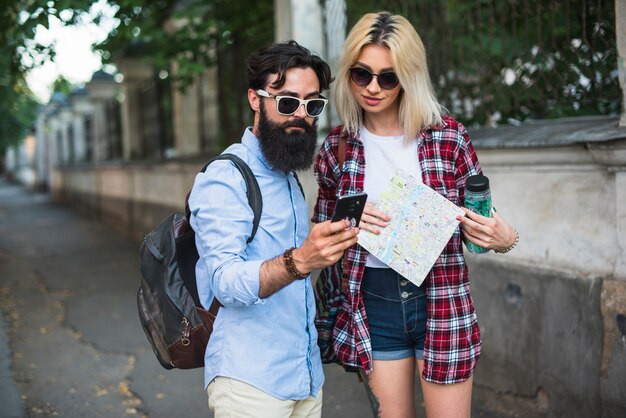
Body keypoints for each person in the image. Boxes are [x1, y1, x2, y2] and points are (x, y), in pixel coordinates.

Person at [312, 12, 518, 418]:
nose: (372, 88)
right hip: (373, 300)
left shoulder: (448, 138)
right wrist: (349, 219)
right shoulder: (337, 146)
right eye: (361, 74)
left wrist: (504, 236)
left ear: (409, 77)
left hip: (441, 297)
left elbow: (480, 225)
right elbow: (323, 235)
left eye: (387, 78)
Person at [188, 40, 359, 418]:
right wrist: (300, 260)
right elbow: (225, 282)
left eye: (312, 105)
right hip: (250, 383)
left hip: (304, 376)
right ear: (255, 99)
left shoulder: (287, 175)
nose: (301, 114)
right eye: (286, 102)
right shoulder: (226, 177)